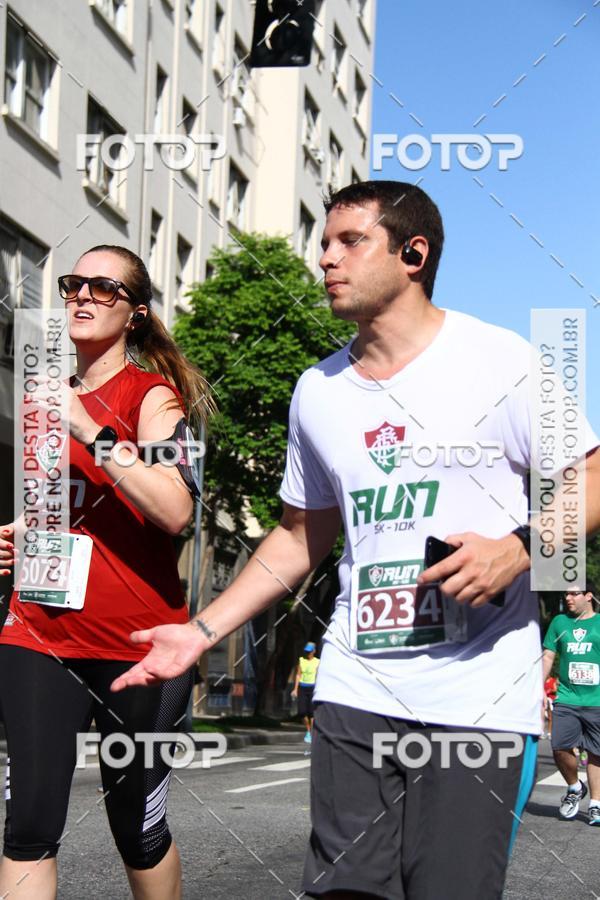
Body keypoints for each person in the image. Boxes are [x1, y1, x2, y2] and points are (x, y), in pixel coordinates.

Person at [111, 181, 600, 899]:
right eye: (323, 243)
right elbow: (299, 536)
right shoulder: (319, 390)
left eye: (350, 241)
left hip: (477, 697)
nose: (325, 259)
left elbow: (591, 475)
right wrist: (200, 631)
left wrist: (521, 547)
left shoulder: (504, 361)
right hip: (355, 682)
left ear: (413, 254)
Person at [0, 245, 212, 900]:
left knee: (136, 829)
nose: (83, 296)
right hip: (40, 632)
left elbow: (176, 509)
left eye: (104, 287)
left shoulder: (154, 398)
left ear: (136, 312)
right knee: (28, 824)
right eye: (75, 284)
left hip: (139, 647)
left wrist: (89, 425)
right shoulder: (44, 399)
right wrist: (22, 535)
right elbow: (65, 509)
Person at [542, 585, 600, 823]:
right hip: (567, 697)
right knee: (559, 747)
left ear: (589, 596)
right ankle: (575, 787)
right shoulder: (560, 622)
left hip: (597, 700)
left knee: (596, 752)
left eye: (574, 593)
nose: (568, 598)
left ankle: (596, 804)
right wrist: (538, 687)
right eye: (565, 594)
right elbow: (548, 656)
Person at [291, 642, 320, 744]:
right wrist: (295, 689)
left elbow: (318, 676)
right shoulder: (301, 660)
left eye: (310, 651)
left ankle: (311, 733)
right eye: (307, 651)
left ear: (314, 651)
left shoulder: (317, 662)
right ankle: (308, 730)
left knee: (311, 713)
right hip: (302, 687)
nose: (308, 653)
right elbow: (298, 675)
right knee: (302, 712)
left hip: (312, 687)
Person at [543, 673, 558, 737]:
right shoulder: (543, 680)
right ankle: (542, 732)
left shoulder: (552, 680)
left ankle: (549, 733)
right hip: (544, 699)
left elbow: (555, 689)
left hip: (550, 699)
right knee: (542, 716)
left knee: (550, 717)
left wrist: (550, 690)